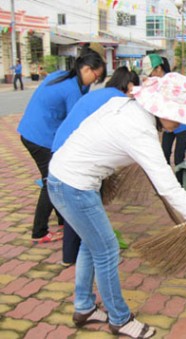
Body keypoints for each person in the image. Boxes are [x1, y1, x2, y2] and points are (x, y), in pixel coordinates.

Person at [47, 73, 186, 338]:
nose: (179, 123)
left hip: (66, 178)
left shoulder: (126, 106)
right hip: (73, 186)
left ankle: (84, 307)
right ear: (161, 108)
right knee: (107, 249)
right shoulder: (140, 131)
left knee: (91, 244)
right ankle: (120, 319)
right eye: (178, 115)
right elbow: (170, 189)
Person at [17, 42, 107, 244]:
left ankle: (62, 220)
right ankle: (39, 231)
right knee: (51, 181)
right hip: (39, 137)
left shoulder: (62, 75)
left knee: (56, 176)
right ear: (86, 69)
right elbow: (77, 122)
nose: (96, 80)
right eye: (96, 76)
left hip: (33, 131)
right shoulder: (71, 89)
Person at [51, 66, 139, 267]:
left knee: (78, 208)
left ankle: (72, 255)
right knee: (83, 204)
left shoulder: (100, 93)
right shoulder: (119, 101)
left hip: (62, 149)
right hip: (76, 156)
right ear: (130, 86)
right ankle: (83, 253)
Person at [143, 54, 186, 185]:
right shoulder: (155, 83)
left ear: (159, 68)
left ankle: (180, 184)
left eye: (151, 73)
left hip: (182, 125)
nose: (150, 76)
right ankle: (166, 184)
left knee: (178, 157)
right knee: (164, 154)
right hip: (167, 126)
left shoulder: (173, 80)